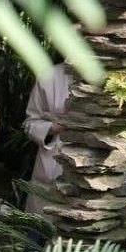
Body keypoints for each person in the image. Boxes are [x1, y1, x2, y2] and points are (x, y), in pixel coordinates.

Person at [22, 61, 73, 215]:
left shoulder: (113, 77)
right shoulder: (48, 76)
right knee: (41, 223)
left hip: (96, 173)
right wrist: (52, 128)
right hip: (51, 168)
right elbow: (30, 123)